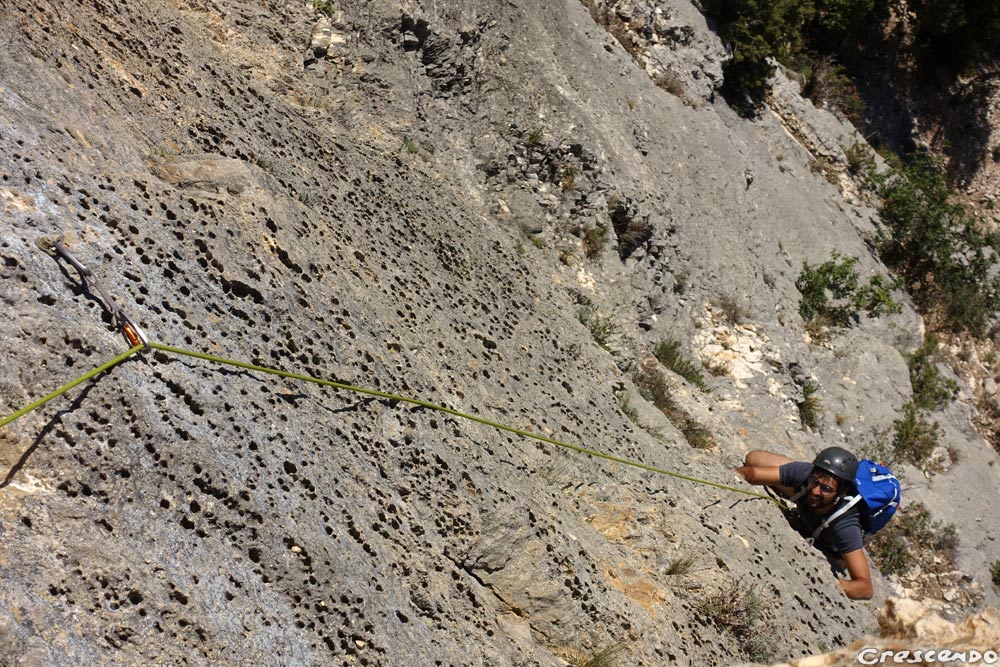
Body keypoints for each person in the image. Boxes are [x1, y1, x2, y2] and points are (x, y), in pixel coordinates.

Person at [734, 446, 874, 600]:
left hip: (827, 537)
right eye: (815, 481)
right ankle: (793, 479)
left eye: (826, 488)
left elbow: (865, 588)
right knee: (755, 459)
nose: (815, 491)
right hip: (803, 485)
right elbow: (753, 473)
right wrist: (732, 475)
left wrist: (827, 585)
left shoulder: (845, 526)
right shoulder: (805, 474)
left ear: (841, 493)